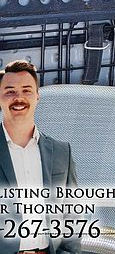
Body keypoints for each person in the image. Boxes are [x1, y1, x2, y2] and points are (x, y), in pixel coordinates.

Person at [0, 61, 79, 254]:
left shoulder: (61, 152)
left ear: (37, 96)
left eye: (26, 90)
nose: (19, 98)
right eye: (10, 91)